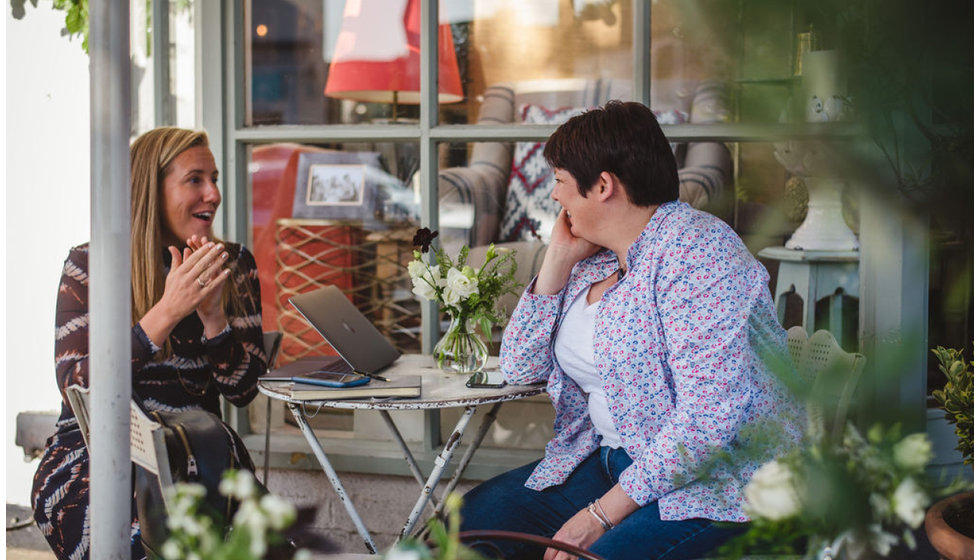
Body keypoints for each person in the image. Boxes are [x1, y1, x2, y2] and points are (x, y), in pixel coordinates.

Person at [458, 101, 804, 560]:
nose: (554, 197)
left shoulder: (699, 252)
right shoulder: (594, 259)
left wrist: (598, 517)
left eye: (560, 181)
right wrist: (557, 258)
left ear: (603, 185)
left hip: (724, 484)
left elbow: (708, 422)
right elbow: (521, 364)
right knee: (466, 526)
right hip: (613, 463)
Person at [31, 127, 268, 560]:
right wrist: (166, 312)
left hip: (199, 453)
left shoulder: (231, 264)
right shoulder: (90, 265)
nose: (213, 193)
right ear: (150, 188)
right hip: (96, 451)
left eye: (214, 178)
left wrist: (214, 318)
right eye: (195, 179)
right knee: (125, 527)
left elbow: (244, 389)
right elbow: (75, 383)